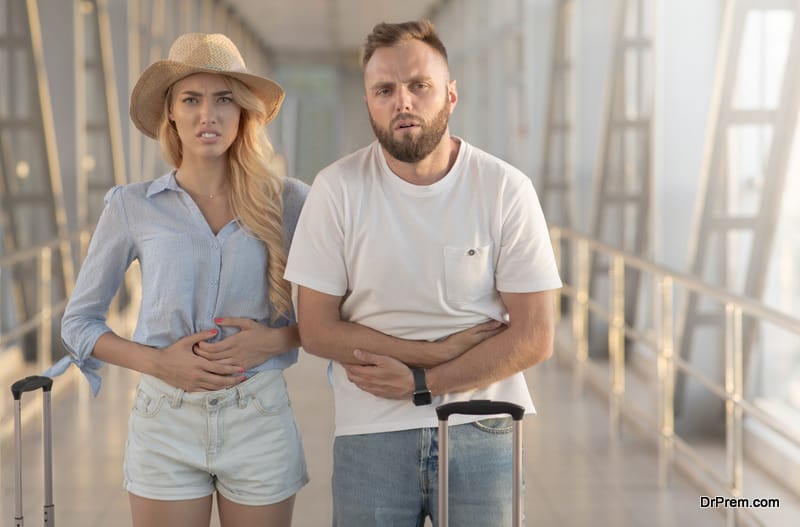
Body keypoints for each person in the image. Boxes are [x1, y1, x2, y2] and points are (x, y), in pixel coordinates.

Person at [284, 19, 562, 527]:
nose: (403, 102)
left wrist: (424, 380)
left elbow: (537, 336)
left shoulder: (505, 188)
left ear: (451, 95)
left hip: (484, 427)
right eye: (385, 90)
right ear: (369, 103)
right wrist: (434, 353)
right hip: (371, 434)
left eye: (420, 85)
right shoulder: (336, 189)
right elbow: (317, 329)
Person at [48, 32, 309, 527]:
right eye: (191, 99)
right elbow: (77, 323)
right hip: (165, 421)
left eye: (223, 99)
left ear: (243, 112)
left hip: (259, 418)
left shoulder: (291, 201)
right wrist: (159, 364)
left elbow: (337, 312)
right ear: (171, 111)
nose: (206, 115)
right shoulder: (132, 206)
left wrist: (275, 340)